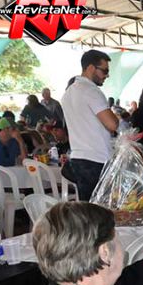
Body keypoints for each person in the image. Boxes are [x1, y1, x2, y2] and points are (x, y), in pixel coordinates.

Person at [61, 49, 119, 201]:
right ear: (91, 68)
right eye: (105, 71)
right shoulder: (91, 90)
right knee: (102, 210)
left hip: (78, 158)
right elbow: (112, 124)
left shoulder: (68, 92)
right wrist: (116, 117)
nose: (107, 75)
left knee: (88, 210)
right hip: (96, 159)